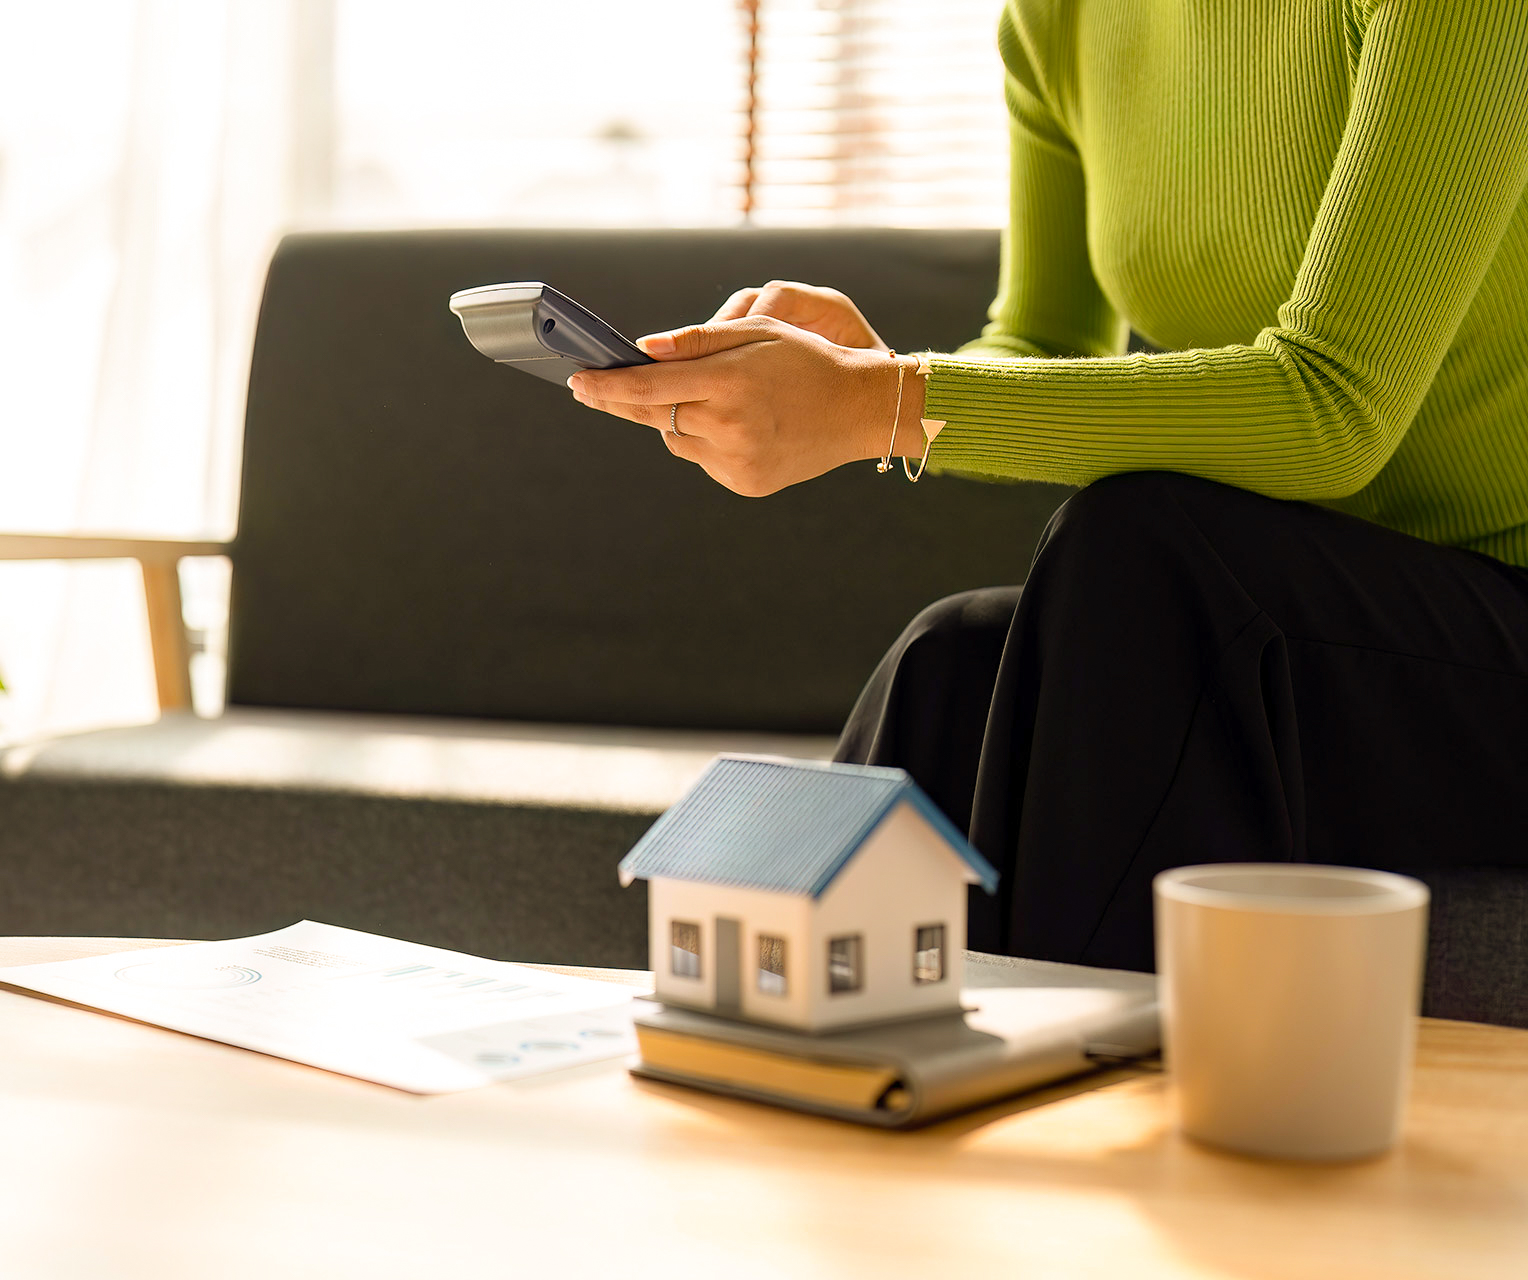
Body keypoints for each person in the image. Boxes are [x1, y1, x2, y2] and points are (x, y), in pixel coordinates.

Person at [566, 1, 1528, 972]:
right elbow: (1043, 345)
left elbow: (1334, 409)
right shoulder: (1060, 18)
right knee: (955, 660)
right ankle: (817, 1066)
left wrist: (879, 403)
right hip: (1321, 640)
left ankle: (1084, 1094)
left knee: (1143, 550)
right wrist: (867, 371)